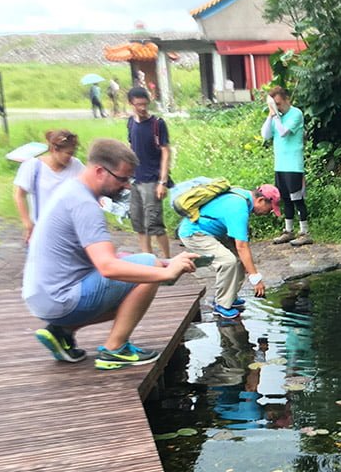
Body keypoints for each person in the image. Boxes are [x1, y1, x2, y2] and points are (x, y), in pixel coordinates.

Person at [22, 138, 198, 370]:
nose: (127, 186)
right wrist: (164, 274)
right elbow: (108, 267)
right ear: (99, 171)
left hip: (42, 296)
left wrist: (168, 263)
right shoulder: (84, 204)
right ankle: (114, 349)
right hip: (59, 299)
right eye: (123, 178)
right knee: (148, 266)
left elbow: (111, 259)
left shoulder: (70, 190)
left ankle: (63, 331)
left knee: (143, 264)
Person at [177, 183, 281, 320]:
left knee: (239, 260)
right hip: (194, 233)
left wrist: (247, 265)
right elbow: (242, 246)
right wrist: (256, 279)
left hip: (213, 231)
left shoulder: (243, 197)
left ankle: (229, 297)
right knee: (227, 261)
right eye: (270, 208)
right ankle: (221, 305)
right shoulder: (239, 207)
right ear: (261, 200)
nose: (269, 212)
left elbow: (239, 246)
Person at [12, 130, 85, 245]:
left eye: (73, 153)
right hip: (41, 231)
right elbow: (19, 195)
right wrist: (27, 223)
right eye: (68, 153)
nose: (71, 157)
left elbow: (88, 188)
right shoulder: (33, 166)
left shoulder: (76, 165)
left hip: (68, 231)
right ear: (54, 150)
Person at [261, 86, 311, 246]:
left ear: (286, 100)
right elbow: (266, 135)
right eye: (275, 104)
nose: (278, 107)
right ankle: (288, 231)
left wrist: (275, 116)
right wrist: (270, 116)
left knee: (297, 199)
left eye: (279, 104)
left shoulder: (296, 114)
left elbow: (283, 132)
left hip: (293, 166)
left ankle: (305, 232)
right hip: (280, 165)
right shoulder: (276, 117)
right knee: (285, 199)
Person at [127, 86, 172, 258]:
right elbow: (131, 147)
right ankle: (148, 258)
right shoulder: (131, 122)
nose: (143, 108)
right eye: (139, 105)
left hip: (152, 180)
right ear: (131, 104)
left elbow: (165, 152)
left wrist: (163, 181)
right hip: (135, 179)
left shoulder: (157, 123)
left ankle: (168, 259)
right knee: (138, 222)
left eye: (145, 104)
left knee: (154, 223)